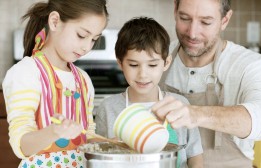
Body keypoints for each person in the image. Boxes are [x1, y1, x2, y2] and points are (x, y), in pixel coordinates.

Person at [151, 0, 261, 167]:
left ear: (225, 20)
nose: (192, 33)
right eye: (185, 18)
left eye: (205, 22)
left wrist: (196, 114)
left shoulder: (249, 64)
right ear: (175, 11)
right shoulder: (156, 58)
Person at [2, 0, 108, 167]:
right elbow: (21, 146)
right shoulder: (26, 73)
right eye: (81, 35)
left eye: (94, 39)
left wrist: (113, 144)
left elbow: (87, 136)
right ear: (54, 21)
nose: (87, 47)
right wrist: (54, 132)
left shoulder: (83, 79)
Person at [95, 17, 204, 168]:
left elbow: (195, 156)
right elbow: (100, 157)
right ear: (120, 63)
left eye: (152, 65)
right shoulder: (108, 108)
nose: (143, 75)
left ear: (166, 63)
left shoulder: (179, 106)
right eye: (133, 65)